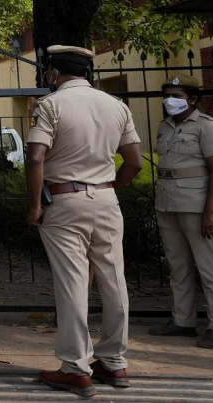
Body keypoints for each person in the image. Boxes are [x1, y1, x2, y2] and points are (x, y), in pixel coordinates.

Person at [25, 45, 143, 397]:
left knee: (73, 283)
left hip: (64, 201)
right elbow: (134, 162)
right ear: (87, 72)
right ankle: (114, 362)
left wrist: (33, 205)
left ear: (54, 73)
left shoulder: (51, 105)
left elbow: (34, 158)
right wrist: (109, 186)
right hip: (106, 199)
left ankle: (76, 367)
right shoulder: (116, 106)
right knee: (113, 279)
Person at [149, 74, 213, 348]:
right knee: (178, 266)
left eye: (178, 95)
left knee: (210, 267)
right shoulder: (165, 126)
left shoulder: (209, 127)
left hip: (198, 205)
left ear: (193, 99)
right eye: (168, 95)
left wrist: (211, 211)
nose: (170, 100)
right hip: (167, 201)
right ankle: (183, 321)